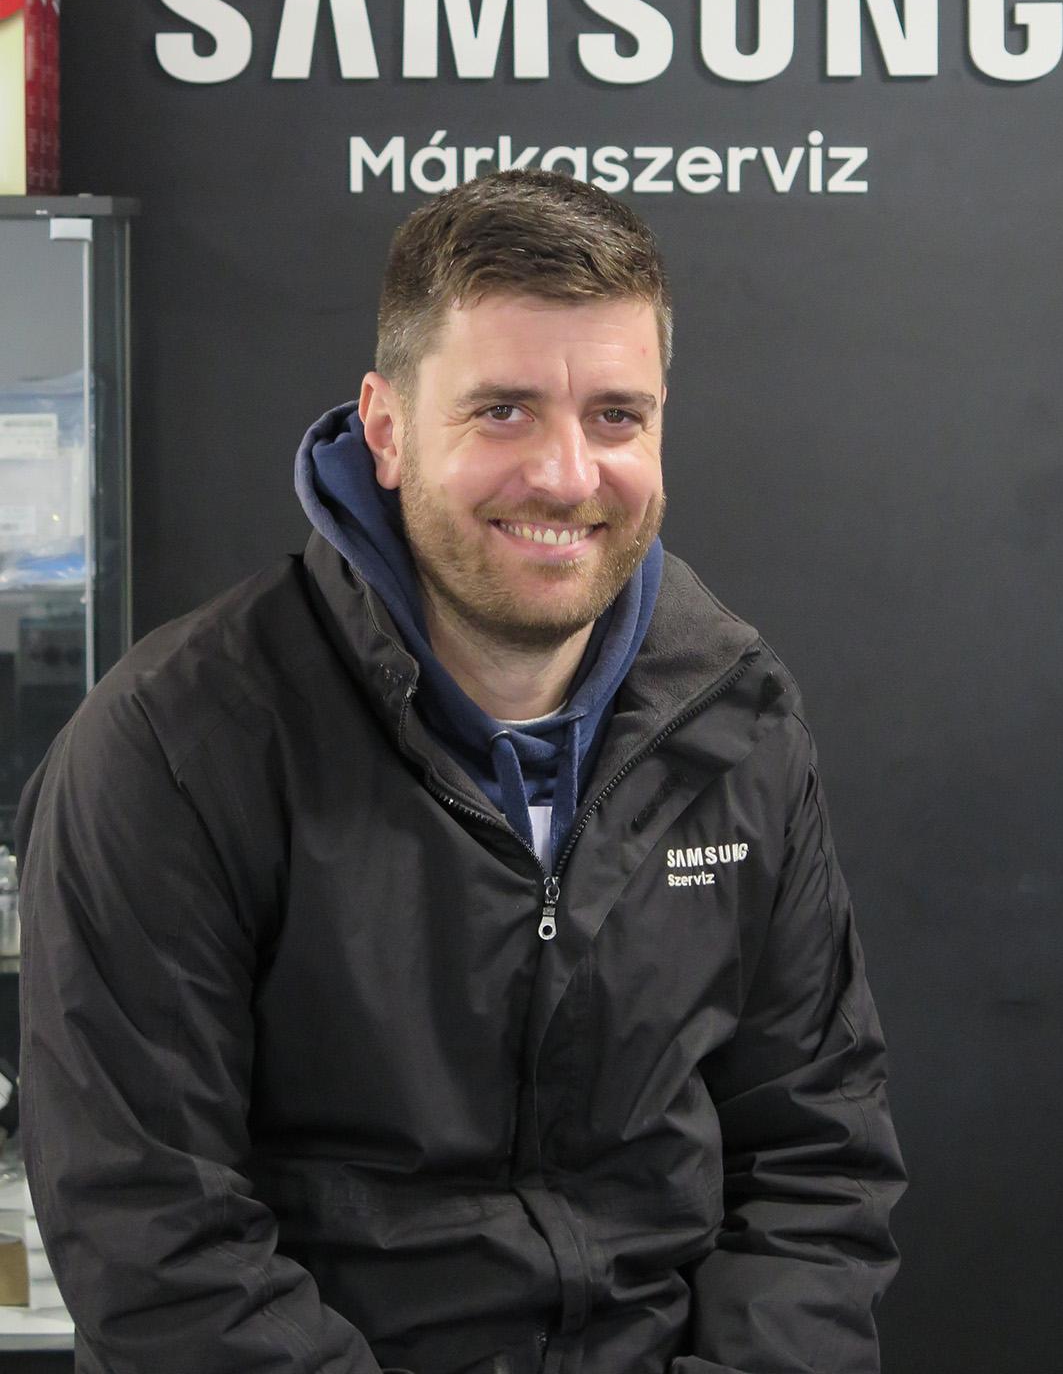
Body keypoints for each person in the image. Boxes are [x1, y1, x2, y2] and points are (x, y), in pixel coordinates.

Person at [17, 170, 905, 1374]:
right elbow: (155, 1243)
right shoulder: (170, 746)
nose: (566, 475)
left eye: (616, 416)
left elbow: (815, 1159)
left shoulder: (737, 721)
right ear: (385, 429)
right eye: (502, 411)